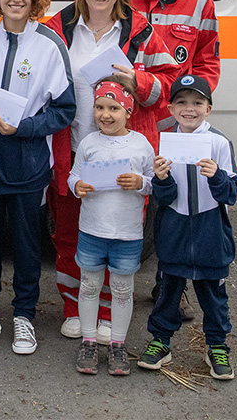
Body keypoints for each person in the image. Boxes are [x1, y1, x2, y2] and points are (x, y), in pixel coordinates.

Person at [45, 0, 179, 345]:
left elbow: (168, 83)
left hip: (123, 155)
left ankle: (106, 311)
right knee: (70, 235)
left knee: (118, 237)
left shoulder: (139, 31)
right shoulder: (59, 29)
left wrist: (137, 79)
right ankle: (74, 308)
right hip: (73, 153)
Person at [0, 0, 75, 354]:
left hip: (28, 166)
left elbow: (65, 109)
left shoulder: (49, 45)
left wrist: (24, 128)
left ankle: (25, 315)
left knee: (29, 245)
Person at [127, 0, 222, 320]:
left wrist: (189, 109)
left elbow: (207, 63)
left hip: (175, 129)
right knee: (126, 199)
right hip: (129, 121)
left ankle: (169, 287)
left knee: (174, 210)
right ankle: (116, 286)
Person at [138, 75, 237, 380]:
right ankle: (161, 342)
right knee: (169, 291)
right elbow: (164, 197)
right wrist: (162, 178)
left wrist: (217, 176)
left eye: (197, 102)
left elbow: (231, 195)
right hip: (175, 230)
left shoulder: (219, 143)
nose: (189, 108)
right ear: (170, 107)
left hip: (210, 232)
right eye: (181, 102)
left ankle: (217, 347)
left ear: (209, 108)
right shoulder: (166, 140)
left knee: (213, 297)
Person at [69, 76, 154, 375]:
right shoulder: (89, 143)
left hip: (127, 233)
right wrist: (77, 185)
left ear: (129, 111)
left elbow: (153, 184)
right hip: (92, 230)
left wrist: (140, 182)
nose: (105, 114)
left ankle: (118, 344)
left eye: (114, 108)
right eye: (99, 107)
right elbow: (73, 176)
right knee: (89, 286)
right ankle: (89, 340)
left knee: (121, 289)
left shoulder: (141, 144)